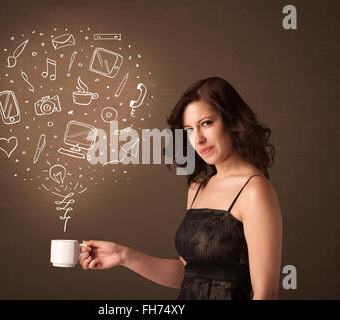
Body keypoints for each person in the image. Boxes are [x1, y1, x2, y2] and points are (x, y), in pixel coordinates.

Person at [80, 77, 283, 300]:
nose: (198, 139)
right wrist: (123, 255)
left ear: (232, 120)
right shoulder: (197, 189)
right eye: (189, 130)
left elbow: (266, 293)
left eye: (206, 123)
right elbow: (186, 273)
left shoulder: (255, 190)